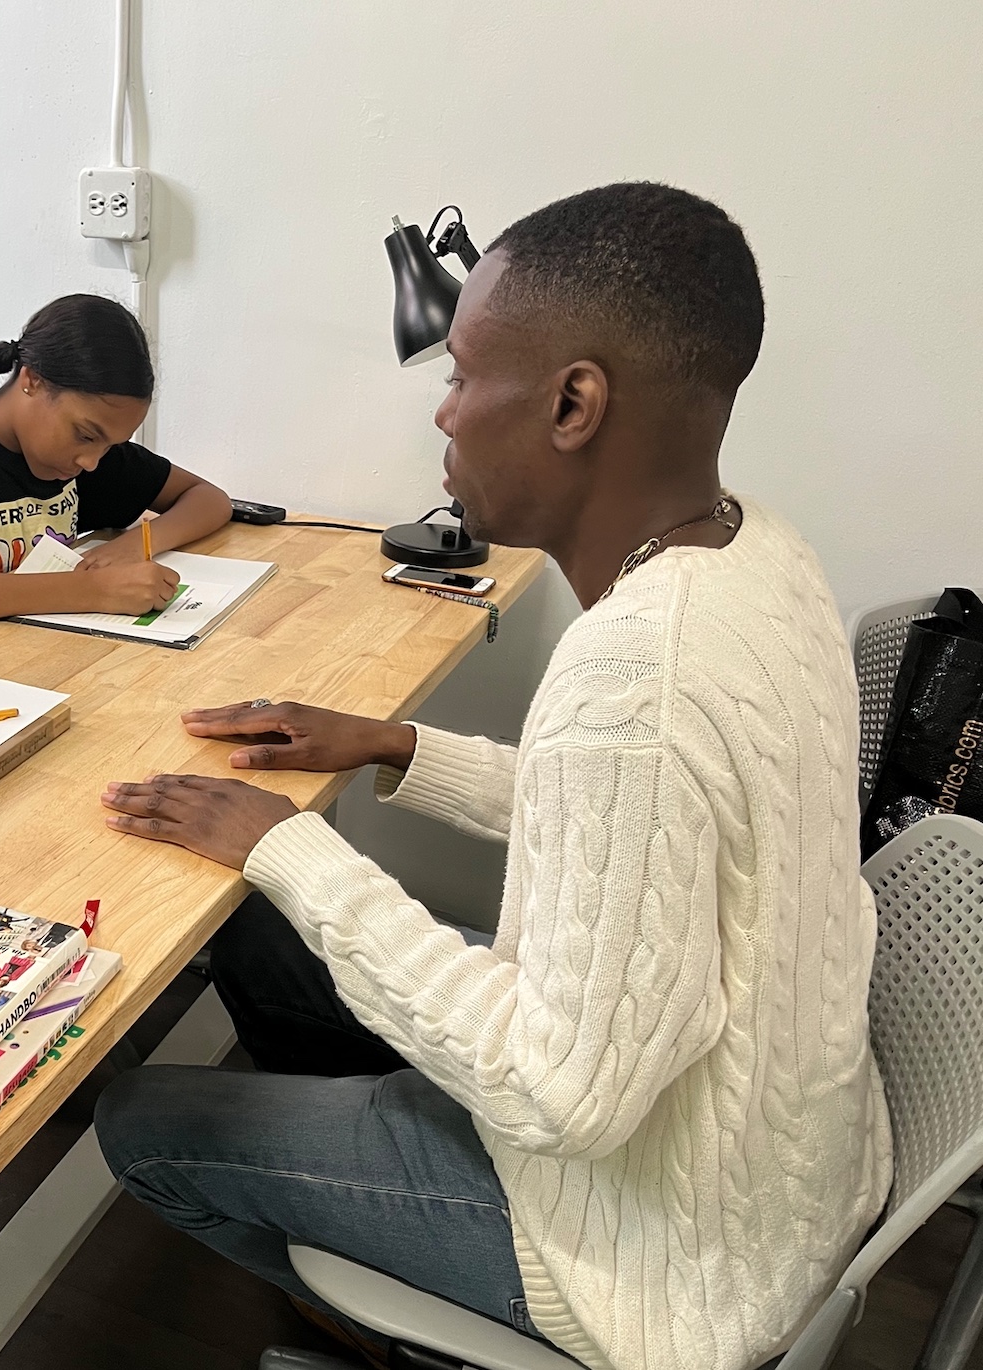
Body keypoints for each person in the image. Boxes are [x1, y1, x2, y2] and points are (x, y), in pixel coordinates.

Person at [93, 183, 891, 1370]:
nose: (445, 411)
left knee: (141, 1118)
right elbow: (638, 821)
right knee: (258, 936)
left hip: (655, 1252)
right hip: (760, 1159)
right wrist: (396, 746)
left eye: (462, 375)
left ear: (574, 403)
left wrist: (288, 844)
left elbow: (563, 1093)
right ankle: (374, 1200)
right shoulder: (759, 550)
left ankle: (415, 1313)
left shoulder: (636, 670)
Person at [0, 293, 233, 621]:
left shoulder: (85, 456)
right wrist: (91, 590)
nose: (92, 462)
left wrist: (135, 545)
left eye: (109, 446)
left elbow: (209, 499)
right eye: (86, 435)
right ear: (32, 380)